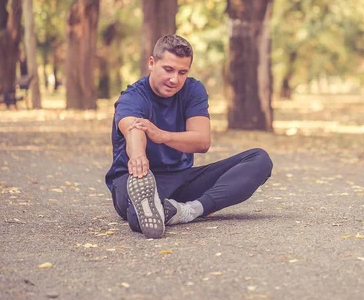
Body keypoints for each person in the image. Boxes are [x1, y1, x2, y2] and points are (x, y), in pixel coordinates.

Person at [105, 34, 273, 238]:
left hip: (182, 179)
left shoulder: (193, 91)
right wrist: (139, 157)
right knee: (136, 214)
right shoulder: (133, 97)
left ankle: (187, 211)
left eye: (182, 72)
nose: (174, 79)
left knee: (259, 159)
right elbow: (133, 130)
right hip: (137, 178)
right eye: (168, 69)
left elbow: (202, 141)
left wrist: (161, 135)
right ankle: (152, 207)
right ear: (152, 63)